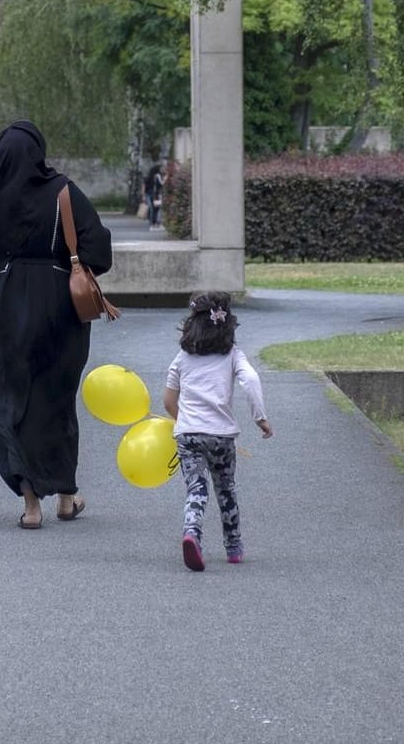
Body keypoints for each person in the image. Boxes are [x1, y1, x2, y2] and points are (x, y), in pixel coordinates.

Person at [0, 120, 113, 530]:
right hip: (60, 305)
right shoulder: (63, 192)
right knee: (56, 401)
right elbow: (100, 251)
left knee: (9, 399)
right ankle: (67, 496)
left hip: (6, 304)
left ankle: (31, 505)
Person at [162, 291, 271, 571]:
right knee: (226, 489)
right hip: (221, 436)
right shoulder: (233, 354)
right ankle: (233, 547)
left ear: (192, 324)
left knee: (196, 489)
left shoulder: (182, 357)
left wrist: (183, 420)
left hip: (188, 436)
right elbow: (251, 379)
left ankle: (192, 533)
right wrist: (260, 417)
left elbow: (168, 400)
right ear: (228, 324)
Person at [144, 163, 165, 230]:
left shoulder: (150, 176)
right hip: (156, 195)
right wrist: (165, 179)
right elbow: (161, 184)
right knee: (156, 210)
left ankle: (153, 224)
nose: (162, 169)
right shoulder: (157, 176)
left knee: (153, 209)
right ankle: (155, 224)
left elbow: (146, 185)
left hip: (151, 194)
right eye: (161, 168)